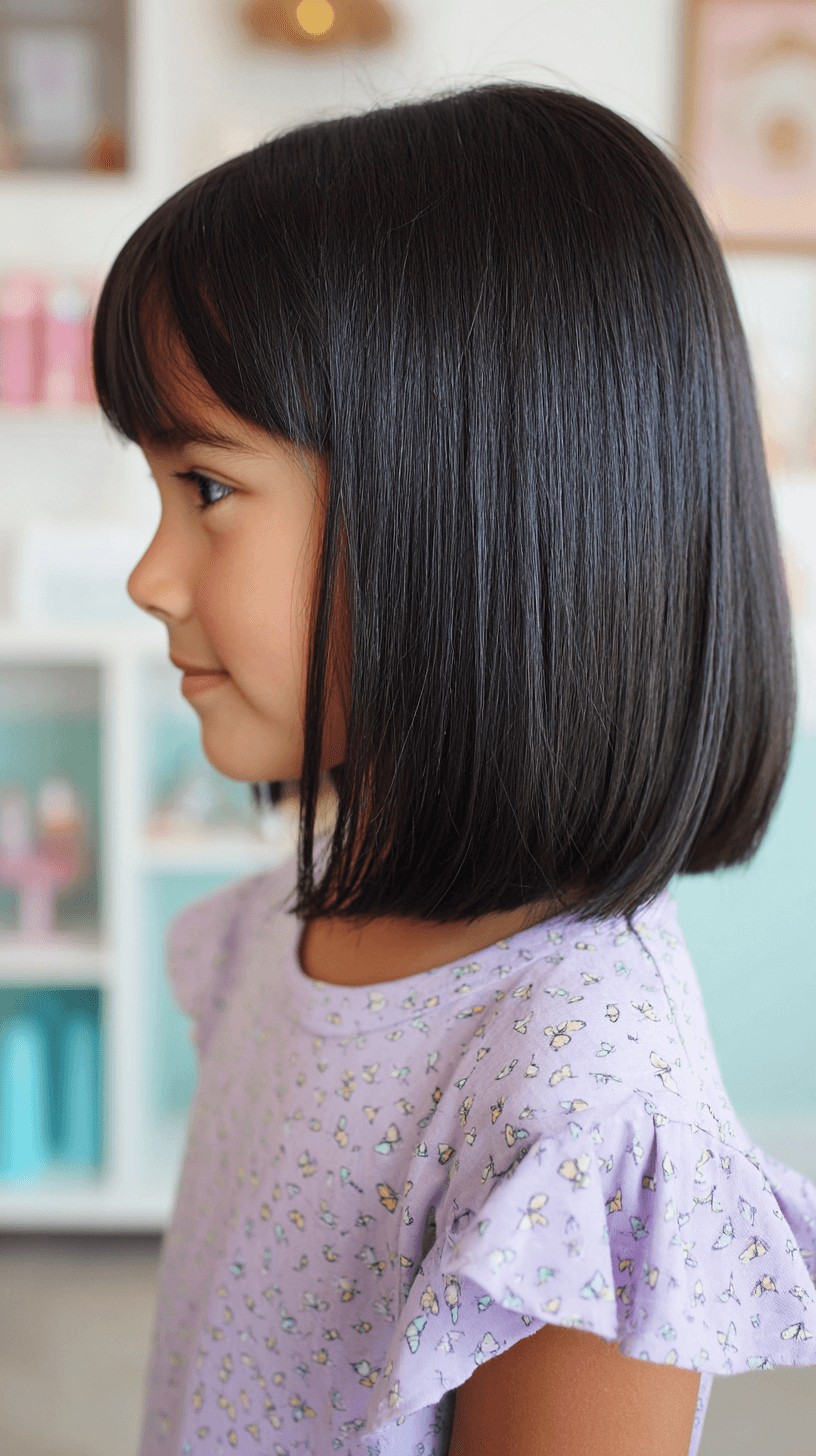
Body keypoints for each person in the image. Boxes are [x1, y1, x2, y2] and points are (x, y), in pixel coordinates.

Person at [92, 80, 816, 1456]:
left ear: (466, 514)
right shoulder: (293, 923)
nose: (148, 574)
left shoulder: (580, 1111)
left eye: (207, 489)